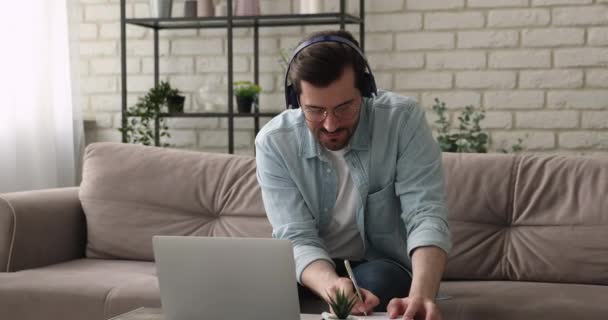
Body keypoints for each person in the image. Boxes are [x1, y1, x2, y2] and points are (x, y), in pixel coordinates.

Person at [255, 29, 451, 320]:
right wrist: (332, 285)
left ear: (367, 89)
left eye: (344, 107)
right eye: (315, 110)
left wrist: (421, 294)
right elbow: (295, 236)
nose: (331, 125)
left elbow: (425, 214)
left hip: (379, 264)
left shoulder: (402, 120)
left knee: (377, 281)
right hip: (313, 269)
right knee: (252, 285)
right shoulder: (274, 142)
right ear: (296, 101)